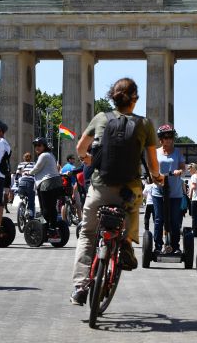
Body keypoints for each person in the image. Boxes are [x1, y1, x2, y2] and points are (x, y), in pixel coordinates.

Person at [70, 77, 160, 305]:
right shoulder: (145, 124)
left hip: (100, 187)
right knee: (133, 206)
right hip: (128, 189)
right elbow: (152, 162)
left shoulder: (101, 117)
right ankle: (127, 244)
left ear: (113, 96)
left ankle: (80, 286)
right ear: (135, 99)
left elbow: (81, 147)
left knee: (88, 234)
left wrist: (87, 160)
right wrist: (157, 177)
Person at [151, 124, 186, 254]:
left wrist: (179, 170)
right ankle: (158, 246)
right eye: (166, 137)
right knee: (159, 219)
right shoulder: (155, 152)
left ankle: (175, 246)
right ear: (161, 139)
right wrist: (156, 179)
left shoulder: (178, 152)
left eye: (170, 137)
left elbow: (183, 167)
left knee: (175, 220)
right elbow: (152, 170)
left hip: (175, 193)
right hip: (158, 191)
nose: (168, 139)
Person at [28, 137, 61, 228]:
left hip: (46, 183)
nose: (37, 147)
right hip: (56, 182)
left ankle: (46, 227)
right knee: (52, 207)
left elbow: (37, 168)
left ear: (44, 146)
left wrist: (28, 173)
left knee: (45, 207)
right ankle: (53, 227)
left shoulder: (43, 155)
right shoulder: (51, 154)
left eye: (39, 145)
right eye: (35, 146)